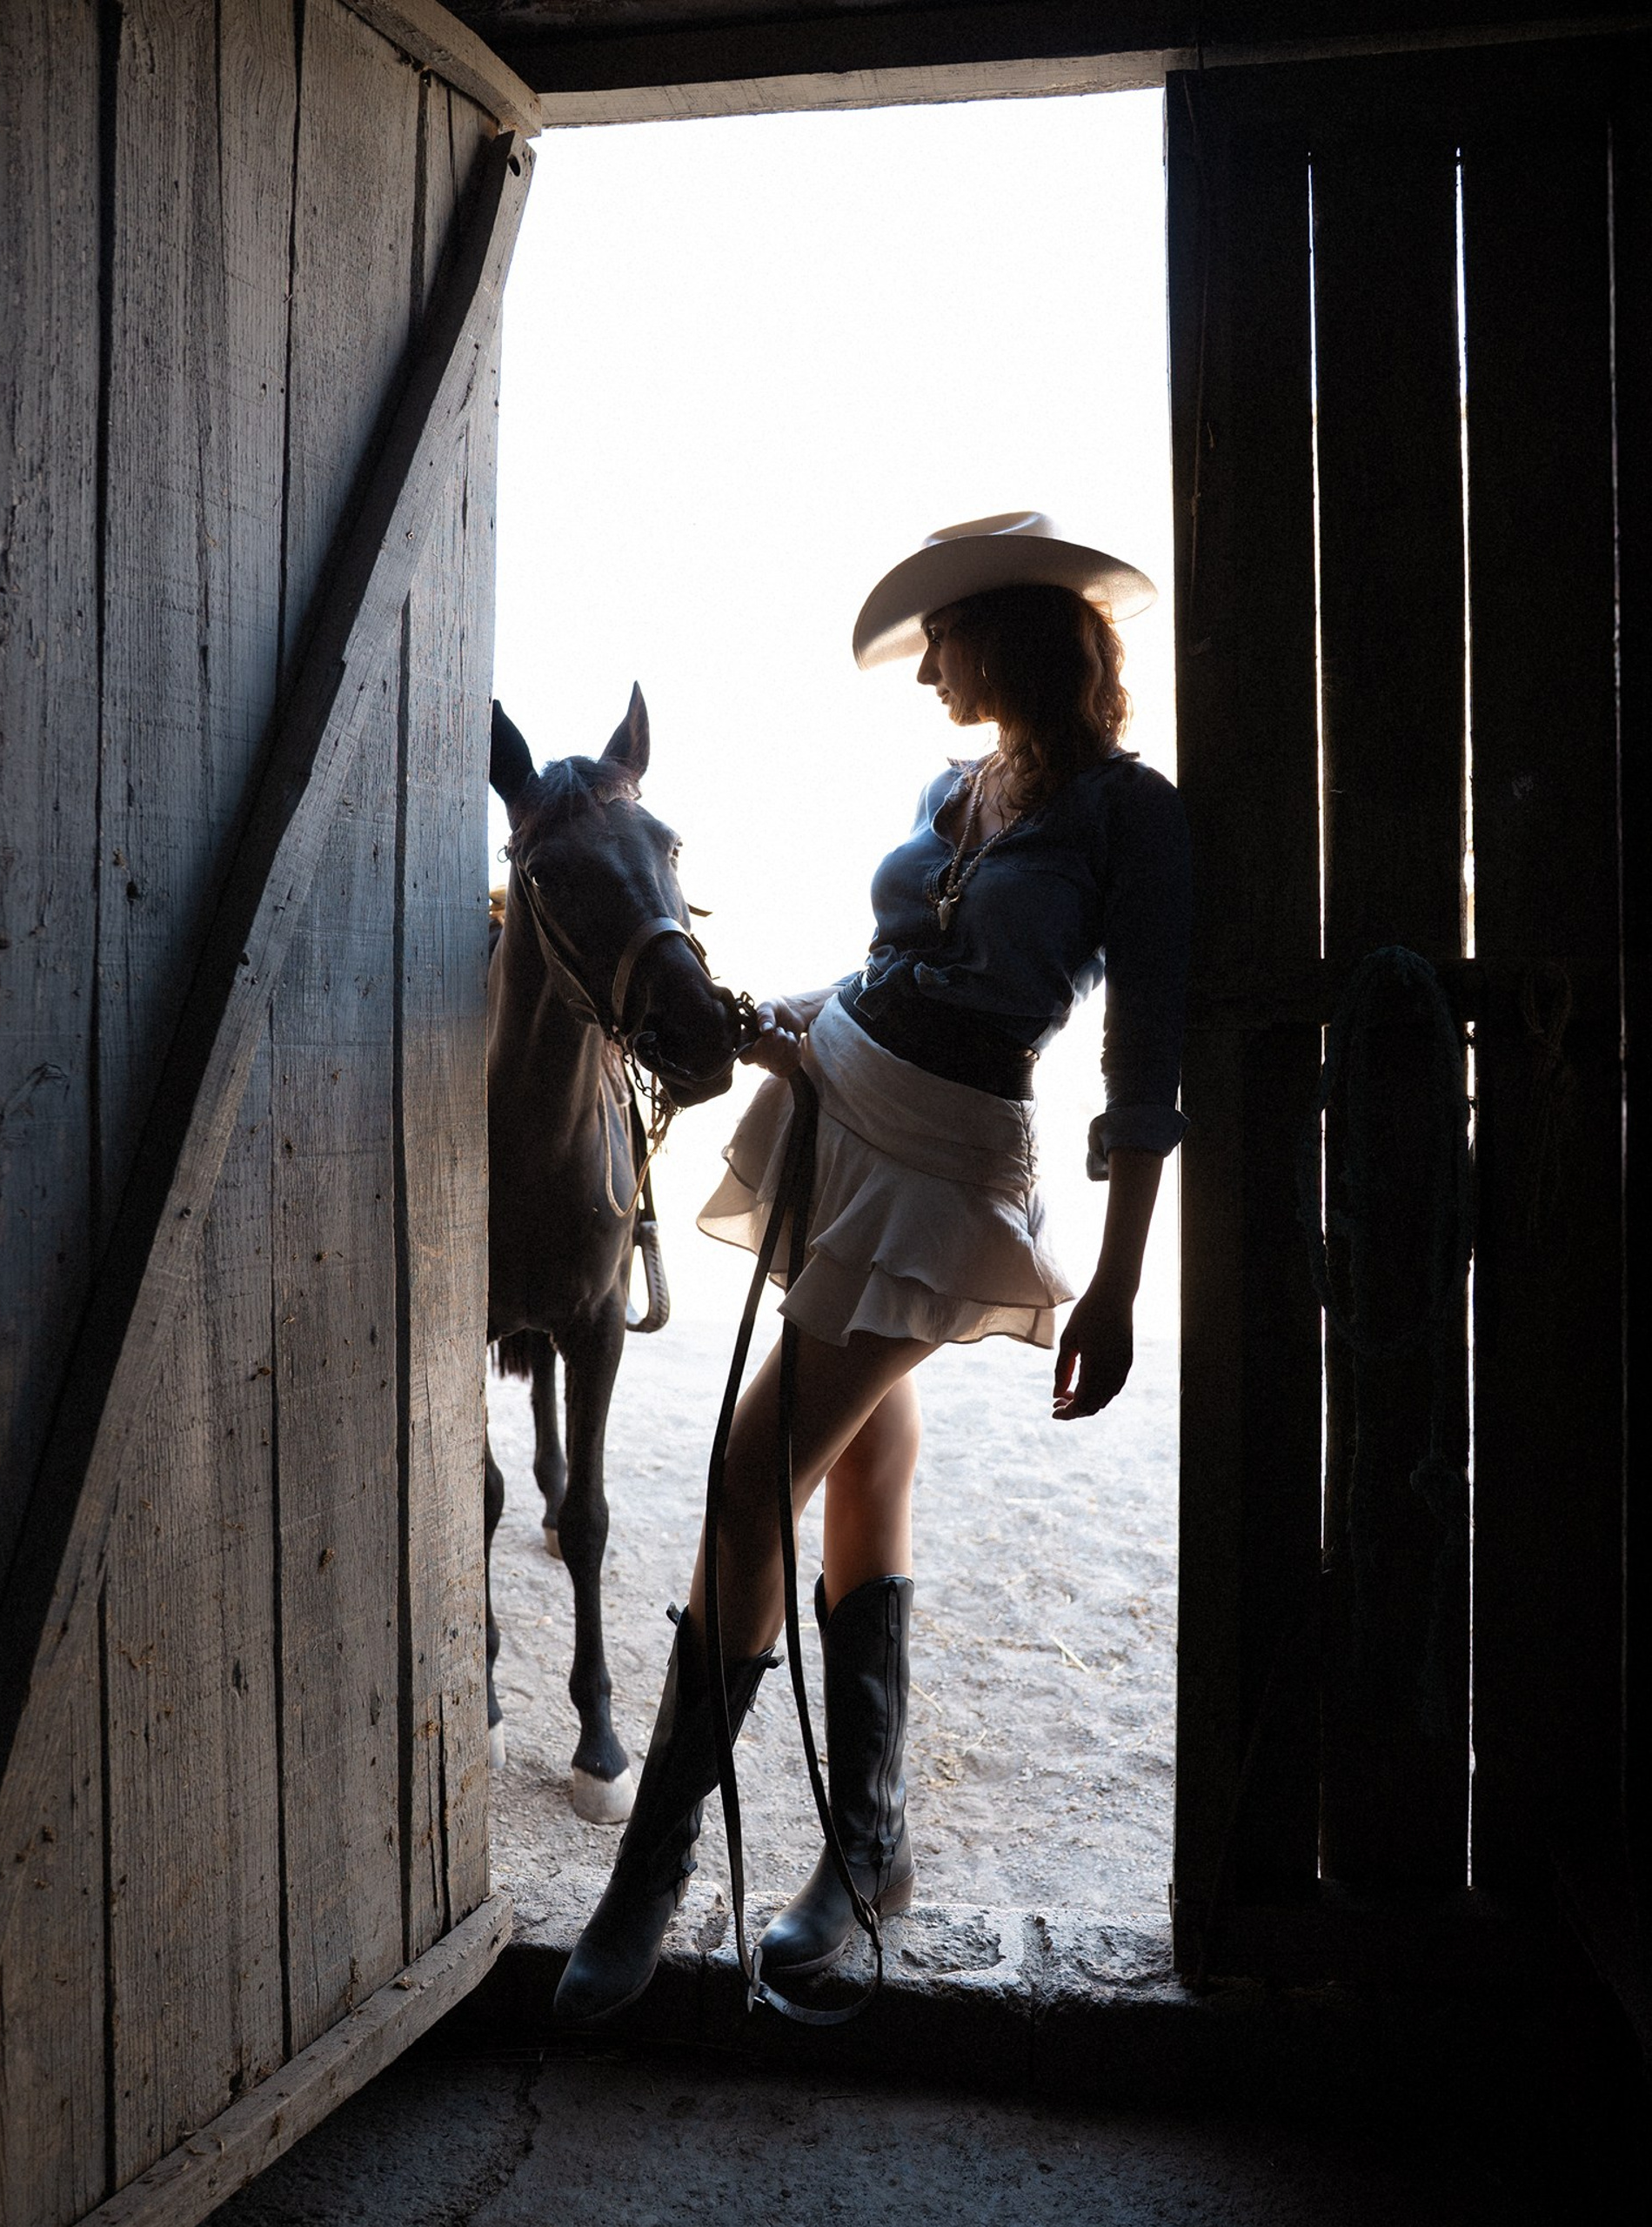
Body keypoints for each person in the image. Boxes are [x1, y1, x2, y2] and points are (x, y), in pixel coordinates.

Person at [554, 512, 1192, 2023]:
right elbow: (897, 970)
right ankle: (871, 1847)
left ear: (1010, 636)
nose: (925, 677)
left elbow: (1145, 1062)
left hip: (946, 1165)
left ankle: (652, 1872)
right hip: (835, 1109)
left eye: (941, 643)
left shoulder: (1131, 817)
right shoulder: (950, 786)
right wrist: (784, 1012)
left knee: (746, 1473)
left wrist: (1116, 1281)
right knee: (854, 1460)